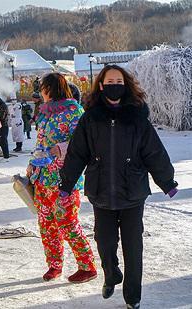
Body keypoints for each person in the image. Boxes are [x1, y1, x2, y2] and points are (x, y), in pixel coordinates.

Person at [59, 65, 179, 309]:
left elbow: (153, 151)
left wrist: (167, 181)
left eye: (119, 80)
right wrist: (66, 183)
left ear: (125, 85)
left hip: (132, 191)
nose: (114, 84)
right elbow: (76, 153)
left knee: (133, 246)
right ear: (101, 85)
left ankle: (132, 297)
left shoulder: (137, 116)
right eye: (110, 80)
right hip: (101, 191)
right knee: (104, 242)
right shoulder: (90, 117)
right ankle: (111, 273)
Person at [26, 72, 97, 283]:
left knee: (67, 222)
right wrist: (32, 162)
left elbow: (84, 142)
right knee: (47, 224)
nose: (40, 92)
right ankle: (54, 265)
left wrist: (60, 148)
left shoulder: (74, 111)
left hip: (65, 178)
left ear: (52, 88)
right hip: (42, 178)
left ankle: (87, 266)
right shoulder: (46, 112)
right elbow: (40, 145)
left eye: (42, 88)